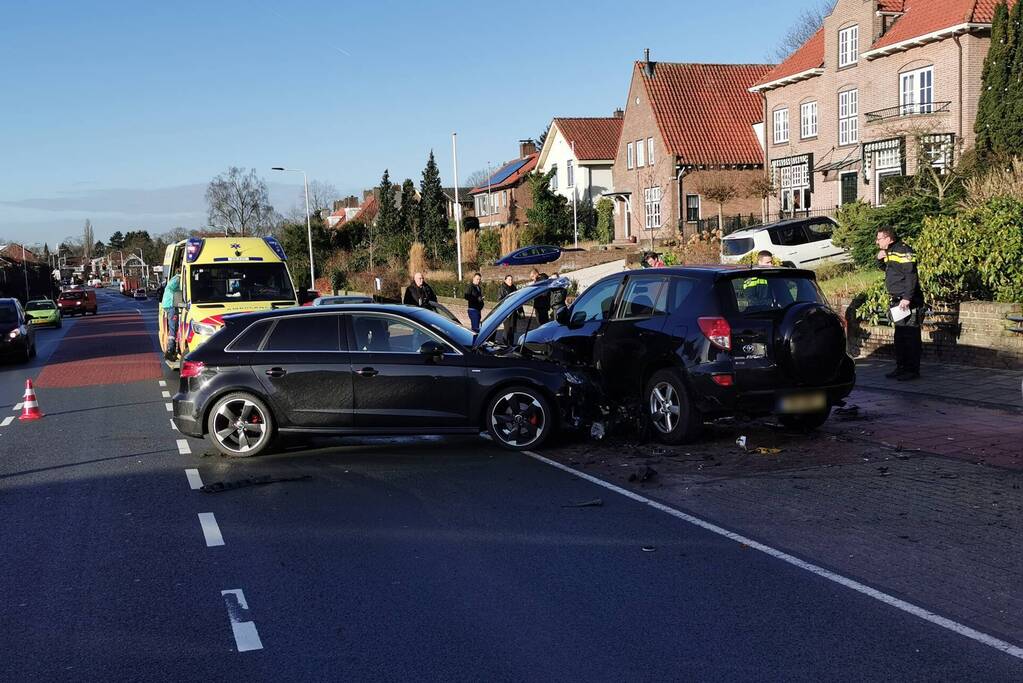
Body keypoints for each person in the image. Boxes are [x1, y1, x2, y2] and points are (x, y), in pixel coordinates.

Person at [876, 227, 924, 381]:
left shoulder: (904, 251)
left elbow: (911, 275)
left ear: (888, 238)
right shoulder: (889, 252)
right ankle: (901, 367)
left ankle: (912, 370)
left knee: (911, 336)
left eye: (879, 239)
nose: (877, 242)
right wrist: (879, 259)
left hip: (907, 301)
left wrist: (907, 298)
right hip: (896, 300)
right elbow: (889, 270)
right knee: (900, 335)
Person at [160, 274, 181, 360]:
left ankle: (171, 350)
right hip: (171, 305)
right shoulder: (177, 279)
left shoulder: (173, 279)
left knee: (173, 327)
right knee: (173, 327)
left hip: (169, 305)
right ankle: (170, 351)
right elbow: (175, 289)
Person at [498, 274, 518, 346]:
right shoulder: (502, 288)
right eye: (509, 279)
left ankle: (511, 344)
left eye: (511, 279)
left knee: (512, 329)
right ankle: (505, 344)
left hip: (513, 311)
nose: (510, 281)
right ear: (505, 280)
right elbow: (500, 300)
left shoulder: (514, 287)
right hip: (506, 312)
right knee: (507, 329)